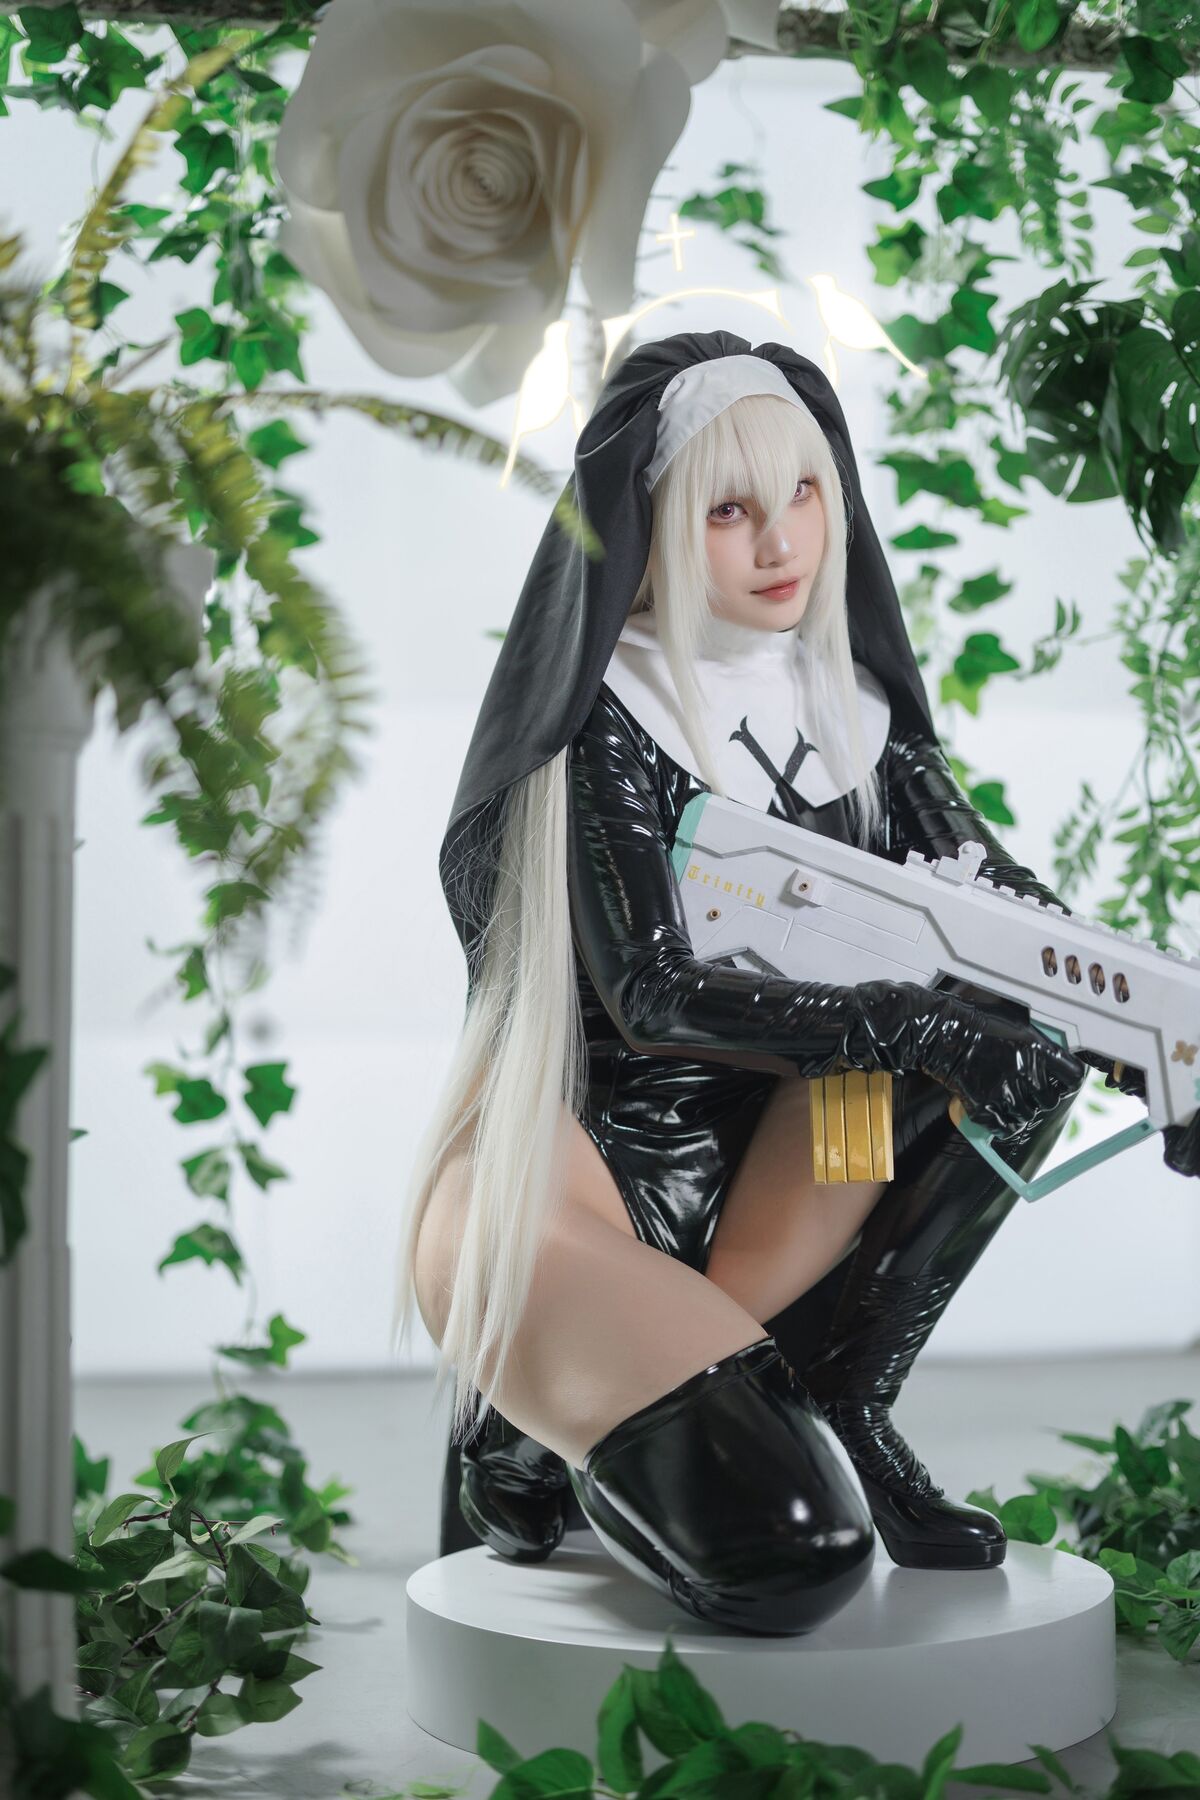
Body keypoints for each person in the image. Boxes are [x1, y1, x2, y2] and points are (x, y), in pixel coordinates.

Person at [393, 330, 1197, 1636]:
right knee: (790, 1554)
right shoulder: (609, 717)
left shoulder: (853, 708)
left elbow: (1007, 919)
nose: (781, 544)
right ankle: (530, 1420)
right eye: (729, 510)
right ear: (658, 524)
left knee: (1025, 1038)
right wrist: (914, 1020)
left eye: (804, 495)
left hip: (796, 1171)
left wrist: (1160, 1041)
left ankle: (847, 1396)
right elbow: (654, 994)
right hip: (595, 1180)